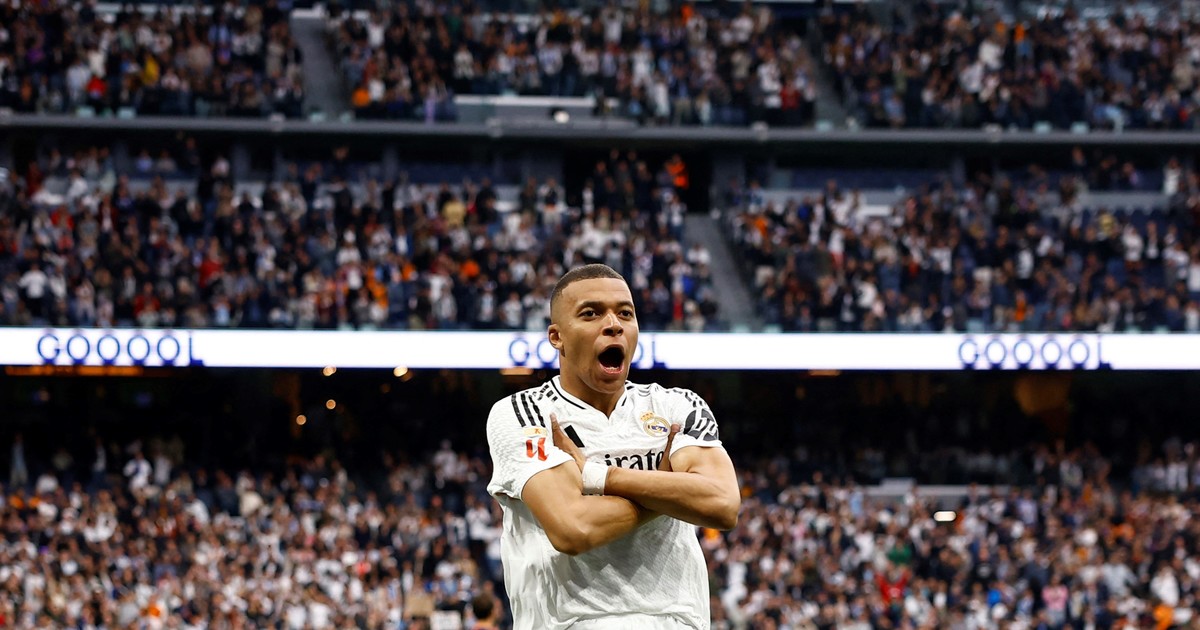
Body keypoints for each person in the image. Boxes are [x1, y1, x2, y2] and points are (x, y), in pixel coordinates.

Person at [486, 263, 741, 629]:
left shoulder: (676, 405)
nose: (613, 324)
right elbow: (574, 528)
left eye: (625, 313)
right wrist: (667, 490)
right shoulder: (525, 413)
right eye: (591, 314)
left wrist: (598, 476)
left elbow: (723, 504)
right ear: (556, 336)